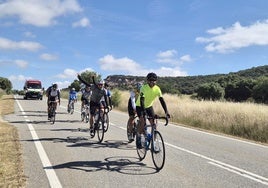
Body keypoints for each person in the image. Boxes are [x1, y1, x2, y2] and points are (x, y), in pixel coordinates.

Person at [135, 72, 170, 148]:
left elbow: (161, 100)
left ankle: (154, 144)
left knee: (153, 124)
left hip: (149, 106)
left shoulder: (157, 89)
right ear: (147, 81)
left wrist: (166, 111)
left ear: (156, 81)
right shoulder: (143, 88)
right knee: (142, 121)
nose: (152, 82)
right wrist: (144, 112)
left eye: (154, 80)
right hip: (140, 106)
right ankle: (138, 136)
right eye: (150, 80)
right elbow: (142, 100)